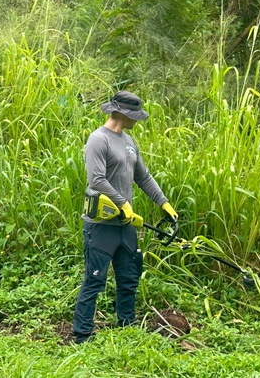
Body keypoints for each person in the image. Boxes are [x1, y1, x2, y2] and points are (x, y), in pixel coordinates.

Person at [72, 90, 177, 344]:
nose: (137, 120)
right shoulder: (98, 139)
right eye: (134, 115)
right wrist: (122, 204)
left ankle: (127, 328)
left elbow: (143, 177)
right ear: (122, 114)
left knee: (129, 278)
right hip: (101, 225)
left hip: (126, 225)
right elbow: (96, 180)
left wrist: (163, 202)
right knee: (94, 279)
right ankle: (82, 335)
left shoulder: (129, 141)